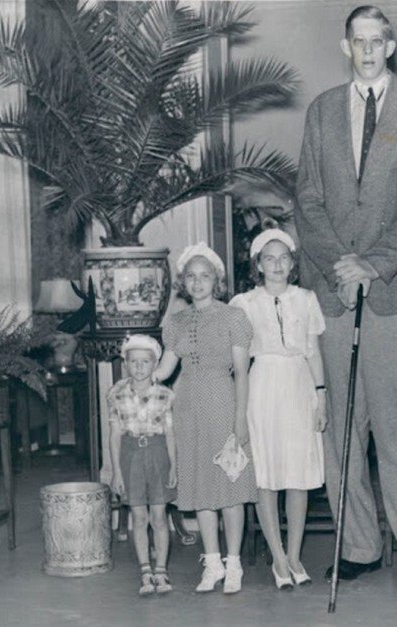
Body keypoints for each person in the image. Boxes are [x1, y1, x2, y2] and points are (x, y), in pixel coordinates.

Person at [294, 5, 397, 595]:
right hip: (334, 290)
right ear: (346, 47)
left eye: (376, 42)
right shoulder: (321, 110)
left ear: (390, 46)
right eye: (358, 42)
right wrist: (341, 265)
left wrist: (374, 263)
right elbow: (307, 198)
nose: (367, 51)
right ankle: (358, 546)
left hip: (393, 288)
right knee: (342, 429)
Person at [153, 242, 257, 594]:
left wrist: (240, 418)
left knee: (229, 487)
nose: (198, 283)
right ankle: (212, 563)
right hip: (188, 409)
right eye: (191, 277)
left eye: (205, 276)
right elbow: (165, 369)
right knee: (200, 488)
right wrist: (140, 370)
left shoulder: (233, 317)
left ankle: (233, 564)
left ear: (217, 280)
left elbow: (241, 372)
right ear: (183, 282)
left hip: (223, 404)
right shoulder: (177, 322)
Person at [229, 227, 327, 590]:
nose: (277, 265)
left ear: (292, 263)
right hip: (263, 388)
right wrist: (239, 410)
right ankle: (278, 558)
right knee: (266, 475)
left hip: (299, 386)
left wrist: (321, 396)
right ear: (258, 264)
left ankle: (295, 554)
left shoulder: (306, 299)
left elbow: (313, 353)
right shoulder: (244, 303)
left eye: (283, 258)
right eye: (269, 259)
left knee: (298, 475)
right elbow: (239, 362)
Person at [108, 334, 177, 596]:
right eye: (133, 361)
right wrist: (116, 472)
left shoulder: (166, 395)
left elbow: (170, 434)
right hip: (130, 455)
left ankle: (161, 570)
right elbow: (115, 435)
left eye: (145, 361)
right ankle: (145, 570)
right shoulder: (116, 394)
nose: (139, 367)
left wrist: (174, 466)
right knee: (139, 516)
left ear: (155, 363)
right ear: (125, 363)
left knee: (159, 516)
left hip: (158, 454)